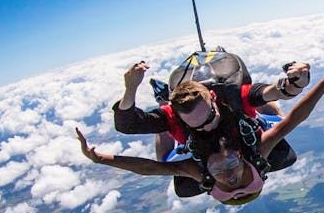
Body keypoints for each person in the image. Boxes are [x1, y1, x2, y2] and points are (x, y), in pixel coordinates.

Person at [76, 40, 324, 206]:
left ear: (210, 180)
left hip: (186, 125)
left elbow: (150, 167)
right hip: (236, 112)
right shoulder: (256, 150)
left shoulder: (196, 170)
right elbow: (292, 118)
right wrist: (323, 78)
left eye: (223, 179)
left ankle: (165, 100)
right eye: (236, 174)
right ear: (249, 167)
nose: (228, 173)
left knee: (168, 145)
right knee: (265, 111)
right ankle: (231, 104)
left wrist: (101, 157)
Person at [113, 51, 311, 197]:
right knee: (271, 115)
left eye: (206, 119)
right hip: (238, 125)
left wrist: (130, 88)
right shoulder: (231, 98)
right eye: (196, 124)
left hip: (200, 121)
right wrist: (295, 84)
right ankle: (165, 101)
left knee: (165, 156)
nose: (205, 128)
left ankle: (164, 100)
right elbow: (274, 93)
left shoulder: (180, 115)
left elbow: (128, 125)